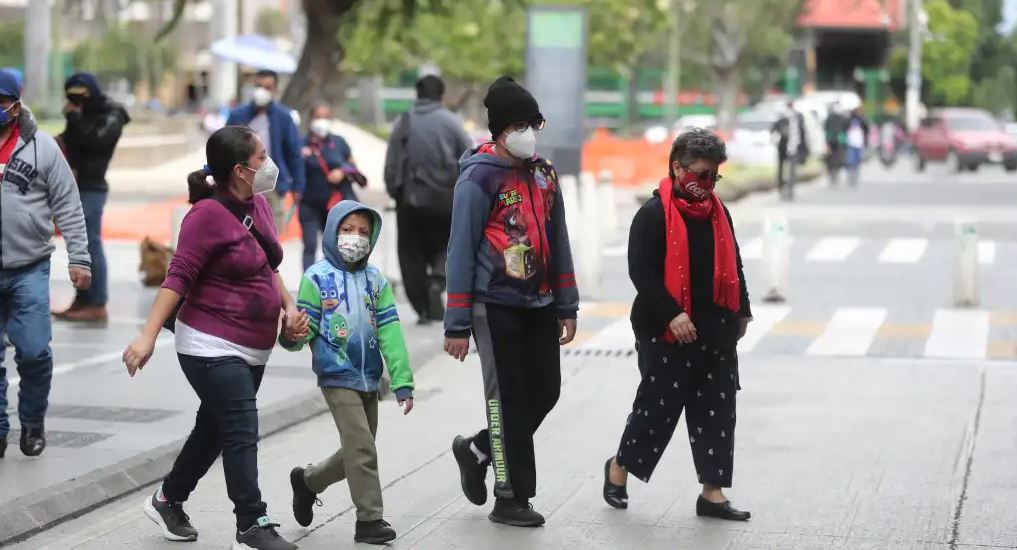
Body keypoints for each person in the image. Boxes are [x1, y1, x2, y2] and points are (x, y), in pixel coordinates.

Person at [122, 126, 304, 550]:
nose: (269, 163)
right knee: (241, 427)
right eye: (262, 157)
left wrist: (289, 307)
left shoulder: (258, 203)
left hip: (253, 344)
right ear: (240, 170)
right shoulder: (204, 216)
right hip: (209, 343)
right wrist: (147, 336)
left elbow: (267, 265)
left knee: (215, 429)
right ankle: (250, 523)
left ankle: (169, 498)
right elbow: (177, 276)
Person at [445, 76, 579, 528]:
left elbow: (557, 240)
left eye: (534, 122)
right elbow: (460, 249)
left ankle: (478, 449)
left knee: (545, 391)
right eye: (520, 124)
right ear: (500, 130)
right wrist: (457, 322)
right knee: (507, 401)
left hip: (539, 303)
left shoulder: (544, 174)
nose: (530, 132)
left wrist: (567, 304)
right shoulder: (478, 178)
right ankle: (510, 496)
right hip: (493, 304)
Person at [602, 128, 753, 521]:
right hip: (664, 331)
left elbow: (734, 263)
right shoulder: (652, 215)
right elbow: (642, 273)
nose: (706, 185)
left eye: (713, 176)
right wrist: (673, 313)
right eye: (700, 175)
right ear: (677, 167)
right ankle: (619, 469)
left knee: (717, 411)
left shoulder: (719, 213)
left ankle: (713, 493)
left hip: (716, 331)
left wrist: (742, 312)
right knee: (657, 410)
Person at [282, 201, 415, 545]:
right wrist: (291, 336)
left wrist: (401, 380)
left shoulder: (376, 281)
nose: (355, 238)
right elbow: (302, 330)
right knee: (363, 449)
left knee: (359, 448)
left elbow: (390, 331)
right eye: (347, 229)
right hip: (336, 374)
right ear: (332, 231)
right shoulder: (316, 277)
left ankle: (308, 482)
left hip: (370, 376)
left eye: (363, 232)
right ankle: (369, 519)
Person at [0, 69, 92, 459]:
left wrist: (79, 258)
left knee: (34, 351)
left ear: (15, 106)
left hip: (29, 267)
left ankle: (33, 418)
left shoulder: (42, 148)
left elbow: (68, 204)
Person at [384, 75, 473, 324]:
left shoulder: (404, 121)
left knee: (411, 253)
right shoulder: (452, 122)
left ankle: (423, 306)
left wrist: (395, 192)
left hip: (410, 199)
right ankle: (438, 281)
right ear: (441, 95)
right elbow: (468, 157)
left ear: (417, 94)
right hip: (445, 198)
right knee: (447, 245)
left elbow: (392, 162)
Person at [52, 72, 130, 323]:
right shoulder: (80, 114)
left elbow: (96, 142)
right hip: (73, 185)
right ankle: (83, 300)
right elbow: (70, 142)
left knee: (89, 244)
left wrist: (74, 116)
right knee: (78, 245)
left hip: (92, 186)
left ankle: (96, 302)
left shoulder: (111, 113)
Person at [227, 70, 305, 234]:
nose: (262, 90)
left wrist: (298, 186)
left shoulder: (283, 116)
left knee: (271, 234)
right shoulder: (238, 115)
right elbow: (223, 145)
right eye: (258, 86)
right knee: (239, 231)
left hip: (272, 183)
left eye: (267, 87)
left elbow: (294, 153)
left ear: (275, 90)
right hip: (241, 181)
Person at [299, 104, 363, 272]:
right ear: (311, 120)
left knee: (335, 245)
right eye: (318, 117)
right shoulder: (302, 144)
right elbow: (296, 169)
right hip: (309, 202)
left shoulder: (339, 142)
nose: (322, 122)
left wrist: (342, 171)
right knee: (310, 244)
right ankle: (309, 283)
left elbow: (352, 165)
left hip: (335, 204)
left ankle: (335, 280)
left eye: (326, 118)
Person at [771, 101, 808, 201]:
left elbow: (803, 134)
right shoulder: (781, 119)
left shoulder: (798, 118)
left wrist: (803, 149)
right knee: (781, 169)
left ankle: (790, 189)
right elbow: (773, 131)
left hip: (794, 147)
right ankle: (781, 188)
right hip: (782, 147)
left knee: (792, 169)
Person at [845, 106, 870, 187]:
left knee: (857, 160)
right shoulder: (849, 120)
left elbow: (866, 130)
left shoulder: (862, 120)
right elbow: (844, 129)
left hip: (859, 143)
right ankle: (851, 175)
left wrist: (865, 141)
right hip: (850, 143)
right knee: (850, 160)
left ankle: (855, 175)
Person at [823, 102, 847, 185]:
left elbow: (845, 128)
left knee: (837, 156)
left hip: (838, 140)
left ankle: (834, 171)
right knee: (832, 156)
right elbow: (826, 128)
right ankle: (832, 170)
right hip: (832, 140)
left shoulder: (841, 118)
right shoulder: (831, 118)